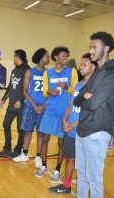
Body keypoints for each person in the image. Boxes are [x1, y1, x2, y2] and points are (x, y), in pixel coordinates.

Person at [74, 32, 114, 198]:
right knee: (82, 174)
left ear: (105, 49)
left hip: (97, 131)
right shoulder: (96, 71)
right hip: (82, 130)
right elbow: (77, 98)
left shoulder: (111, 72)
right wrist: (86, 95)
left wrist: (90, 97)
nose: (90, 50)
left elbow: (94, 103)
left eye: (94, 47)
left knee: (94, 178)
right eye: (90, 47)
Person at [49, 53, 95, 194]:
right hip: (69, 129)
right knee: (69, 158)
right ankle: (67, 185)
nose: (80, 67)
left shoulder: (94, 88)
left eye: (84, 64)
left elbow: (91, 111)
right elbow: (70, 105)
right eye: (80, 64)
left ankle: (85, 191)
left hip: (83, 130)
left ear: (93, 67)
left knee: (84, 164)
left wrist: (74, 124)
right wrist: (64, 120)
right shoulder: (77, 86)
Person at [36, 46, 78, 183]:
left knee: (61, 142)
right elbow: (44, 92)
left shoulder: (72, 72)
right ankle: (43, 166)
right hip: (50, 110)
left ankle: (57, 170)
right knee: (45, 138)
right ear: (56, 57)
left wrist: (66, 87)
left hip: (64, 112)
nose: (65, 58)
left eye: (66, 56)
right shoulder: (47, 73)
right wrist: (49, 92)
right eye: (63, 55)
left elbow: (76, 92)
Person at [13, 48, 49, 169]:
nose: (48, 59)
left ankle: (38, 156)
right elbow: (24, 90)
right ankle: (25, 153)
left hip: (43, 108)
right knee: (28, 131)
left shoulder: (48, 74)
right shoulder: (30, 72)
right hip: (30, 106)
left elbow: (50, 94)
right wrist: (35, 106)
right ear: (40, 58)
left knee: (41, 133)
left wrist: (42, 106)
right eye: (46, 57)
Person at [0, 49, 30, 157]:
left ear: (17, 57)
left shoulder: (27, 70)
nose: (13, 59)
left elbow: (28, 88)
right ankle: (7, 148)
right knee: (6, 124)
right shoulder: (15, 70)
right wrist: (4, 99)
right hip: (11, 105)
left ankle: (17, 150)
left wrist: (20, 100)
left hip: (22, 106)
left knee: (20, 129)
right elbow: (11, 86)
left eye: (14, 57)